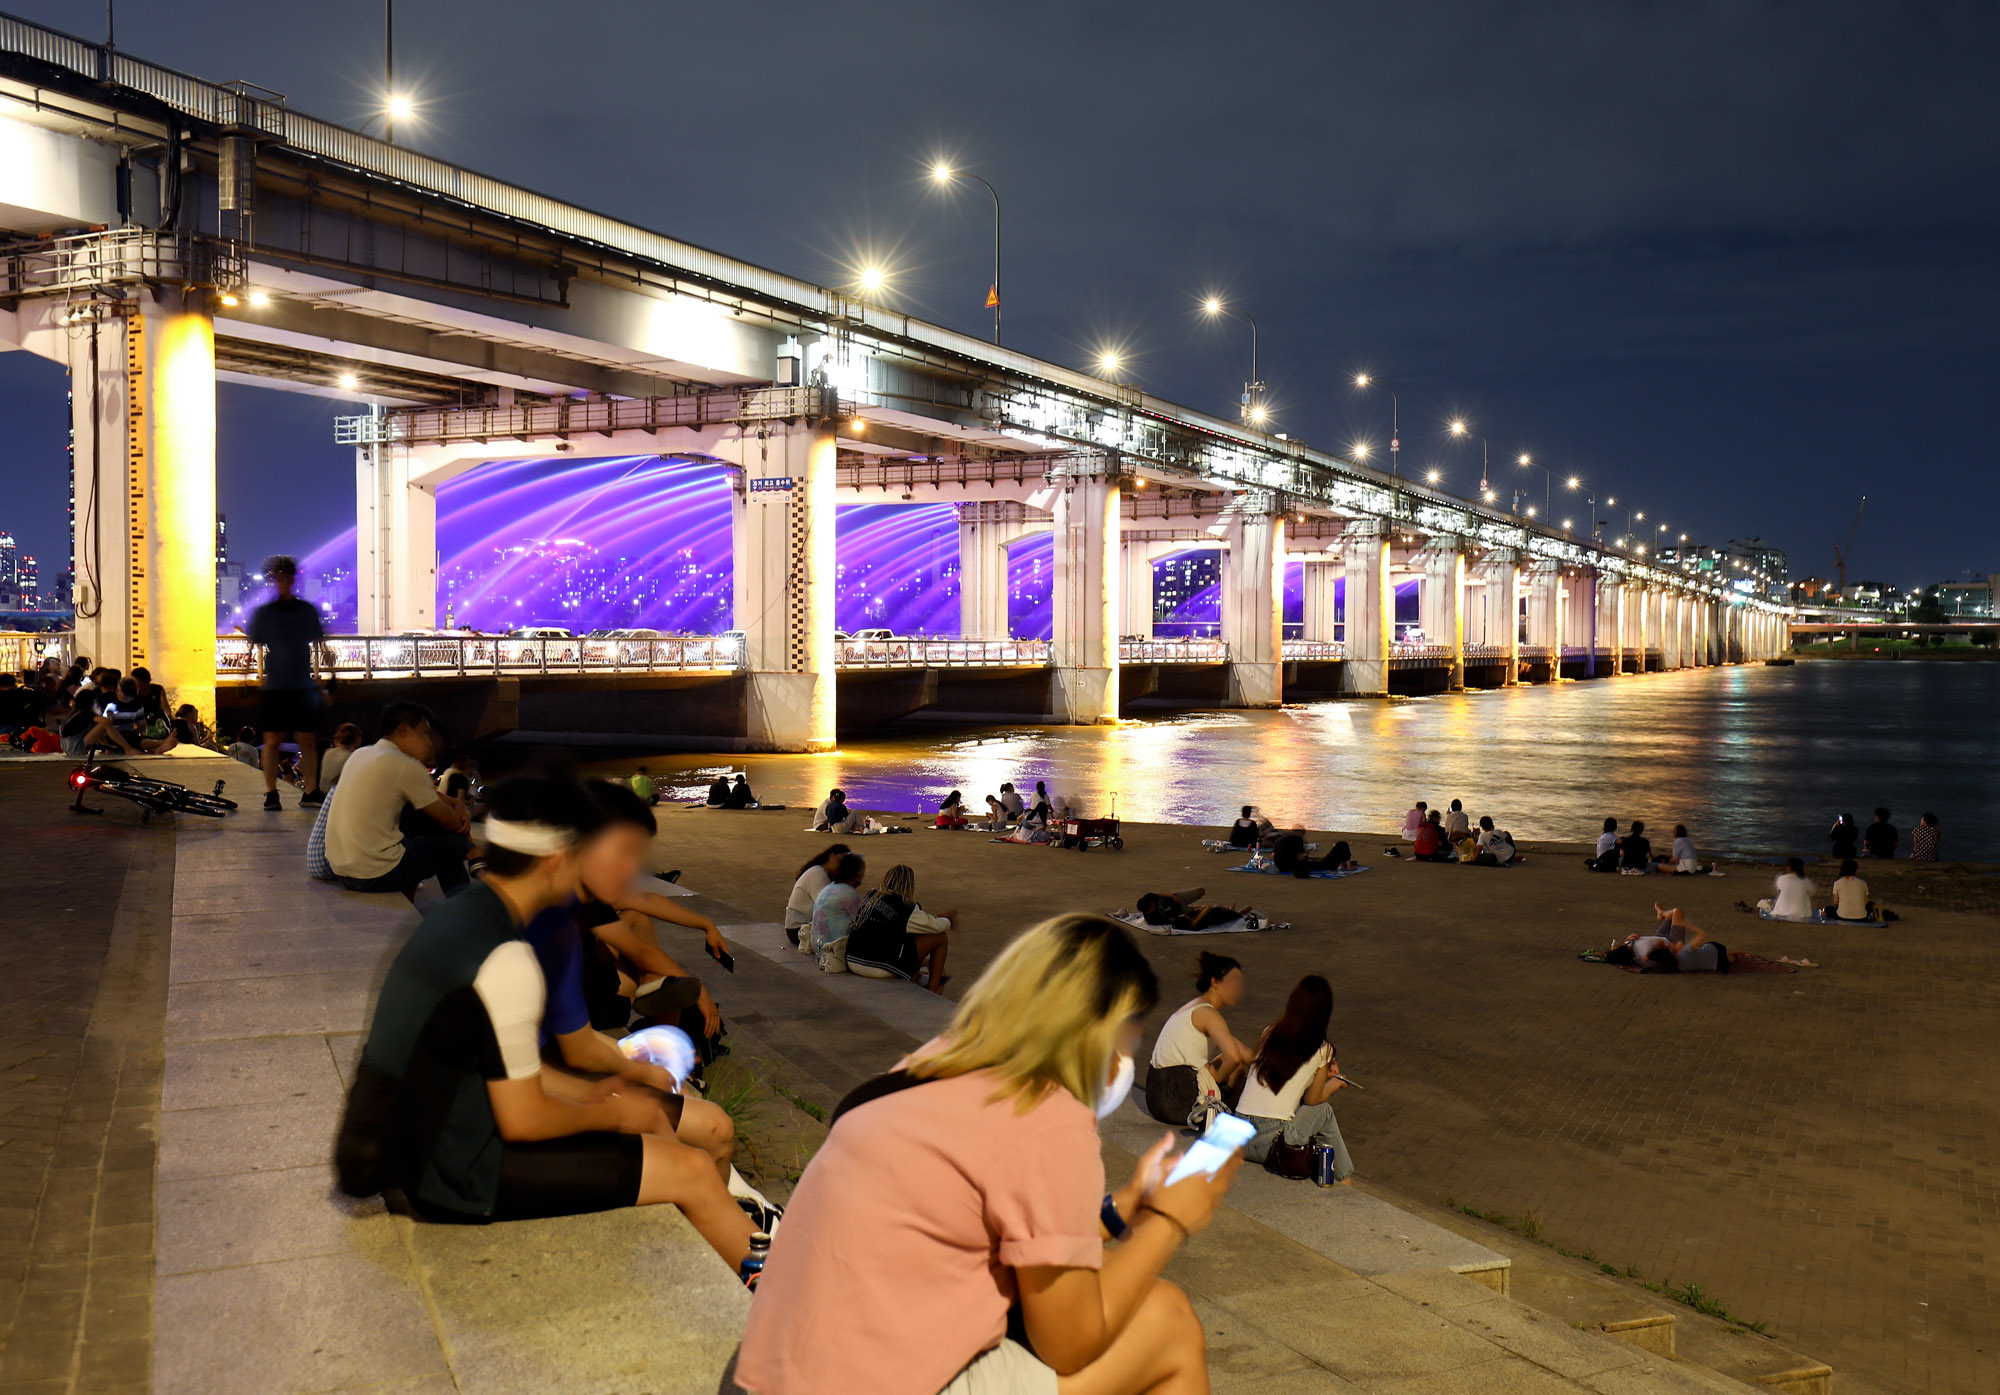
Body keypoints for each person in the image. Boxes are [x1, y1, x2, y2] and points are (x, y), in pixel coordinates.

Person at [737, 914, 1237, 1395]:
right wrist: (1169, 1222)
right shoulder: (1047, 1116)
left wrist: (1122, 1207)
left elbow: (1001, 1231)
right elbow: (1070, 1343)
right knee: (1167, 1322)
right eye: (1129, 1036)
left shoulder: (940, 1063)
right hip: (866, 1378)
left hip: (789, 1364)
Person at [333, 774, 757, 1267]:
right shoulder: (507, 955)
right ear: (562, 858)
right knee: (689, 1169)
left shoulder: (470, 916)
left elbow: (491, 1063)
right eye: (614, 852)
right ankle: (784, 1313)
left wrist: (604, 1097)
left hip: (430, 1142)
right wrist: (615, 1112)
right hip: (461, 1173)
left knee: (661, 1135)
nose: (630, 868)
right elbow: (525, 1118)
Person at [523, 782, 740, 1180]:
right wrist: (644, 1073)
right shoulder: (548, 922)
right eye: (624, 852)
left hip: (540, 1066)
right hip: (512, 1102)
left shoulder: (566, 901)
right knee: (710, 1130)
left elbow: (570, 1046)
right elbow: (568, 1054)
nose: (634, 869)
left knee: (703, 1125)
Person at [323, 702, 473, 898]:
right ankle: (466, 908)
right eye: (424, 734)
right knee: (447, 848)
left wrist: (458, 804)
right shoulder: (404, 764)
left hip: (342, 869)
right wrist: (462, 825)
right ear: (404, 730)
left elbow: (434, 797)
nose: (429, 743)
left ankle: (470, 864)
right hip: (373, 874)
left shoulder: (362, 753)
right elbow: (449, 821)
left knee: (417, 824)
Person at [1238, 975, 1354, 1184]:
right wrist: (1334, 1084)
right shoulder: (1323, 1048)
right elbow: (1312, 1101)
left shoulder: (1268, 1032)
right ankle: (1345, 1178)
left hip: (1238, 1138)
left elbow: (1272, 1077)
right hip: (1270, 1144)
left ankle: (1343, 1177)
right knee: (1324, 1111)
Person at [247, 555, 330, 810]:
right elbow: (253, 647)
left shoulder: (305, 611)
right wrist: (246, 678)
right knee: (273, 740)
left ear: (292, 579)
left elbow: (320, 645)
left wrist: (331, 676)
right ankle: (272, 792)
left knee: (306, 739)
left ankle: (310, 790)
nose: (282, 582)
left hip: (300, 685)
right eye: (278, 577)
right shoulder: (266, 613)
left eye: (285, 577)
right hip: (278, 686)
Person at [1145, 951, 1252, 1127]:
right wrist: (1217, 1077)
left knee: (1228, 1062)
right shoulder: (1208, 1014)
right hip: (1178, 1102)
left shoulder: (1194, 1008)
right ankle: (1231, 1115)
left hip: (1156, 1099)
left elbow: (1245, 1052)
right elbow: (1235, 1057)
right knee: (1237, 1069)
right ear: (1215, 982)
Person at [843, 864, 954, 992]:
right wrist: (948, 920)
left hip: (852, 959)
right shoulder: (905, 906)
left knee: (910, 939)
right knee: (940, 937)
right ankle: (933, 992)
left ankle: (914, 980)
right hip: (878, 966)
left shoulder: (871, 897)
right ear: (909, 885)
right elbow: (935, 926)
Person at [783, 844, 851, 948]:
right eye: (841, 862)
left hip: (800, 927)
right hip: (798, 930)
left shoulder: (820, 873)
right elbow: (829, 908)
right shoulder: (818, 875)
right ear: (831, 857)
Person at [808, 853, 866, 960]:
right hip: (834, 949)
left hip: (818, 946)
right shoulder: (850, 894)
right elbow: (863, 921)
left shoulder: (828, 888)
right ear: (857, 874)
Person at [1271, 832, 1356, 876]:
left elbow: (1273, 855)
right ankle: (1348, 864)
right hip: (1298, 865)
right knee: (1341, 844)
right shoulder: (1297, 840)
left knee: (1321, 860)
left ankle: (1345, 862)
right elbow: (1300, 858)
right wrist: (1307, 856)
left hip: (1282, 866)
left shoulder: (1285, 840)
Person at [319, 723, 363, 788]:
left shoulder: (328, 752)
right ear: (358, 739)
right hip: (338, 794)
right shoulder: (353, 756)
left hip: (323, 794)